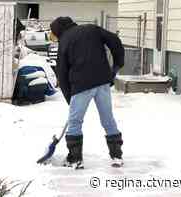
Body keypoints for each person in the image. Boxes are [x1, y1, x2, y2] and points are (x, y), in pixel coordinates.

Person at [50, 17, 125, 169]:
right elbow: (115, 41)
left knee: (75, 122)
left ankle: (75, 158)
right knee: (107, 119)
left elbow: (62, 73)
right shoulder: (92, 29)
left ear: (58, 31)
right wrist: (117, 64)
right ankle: (116, 155)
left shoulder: (64, 41)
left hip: (81, 85)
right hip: (102, 81)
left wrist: (69, 97)